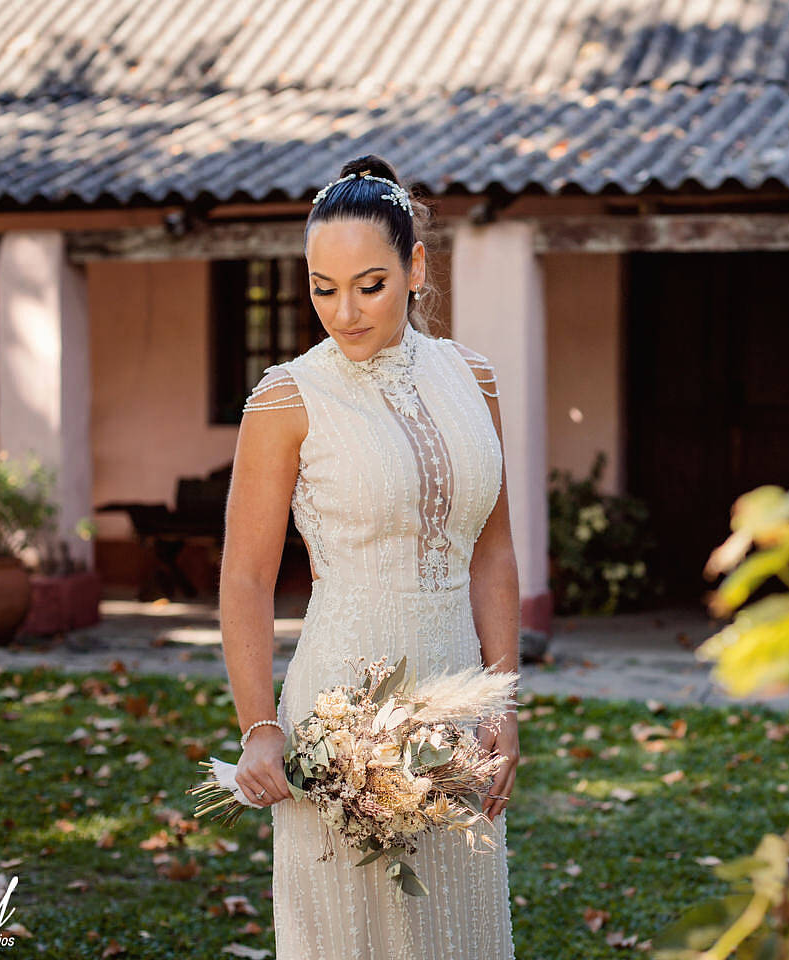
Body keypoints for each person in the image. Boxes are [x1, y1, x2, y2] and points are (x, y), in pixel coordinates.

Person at [218, 153, 519, 959]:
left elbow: (493, 554)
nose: (344, 312)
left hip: (458, 702)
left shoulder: (475, 378)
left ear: (416, 267)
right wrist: (259, 726)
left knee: (456, 930)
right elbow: (245, 578)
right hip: (339, 713)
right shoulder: (286, 398)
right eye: (323, 288)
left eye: (369, 285)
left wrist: (503, 701)